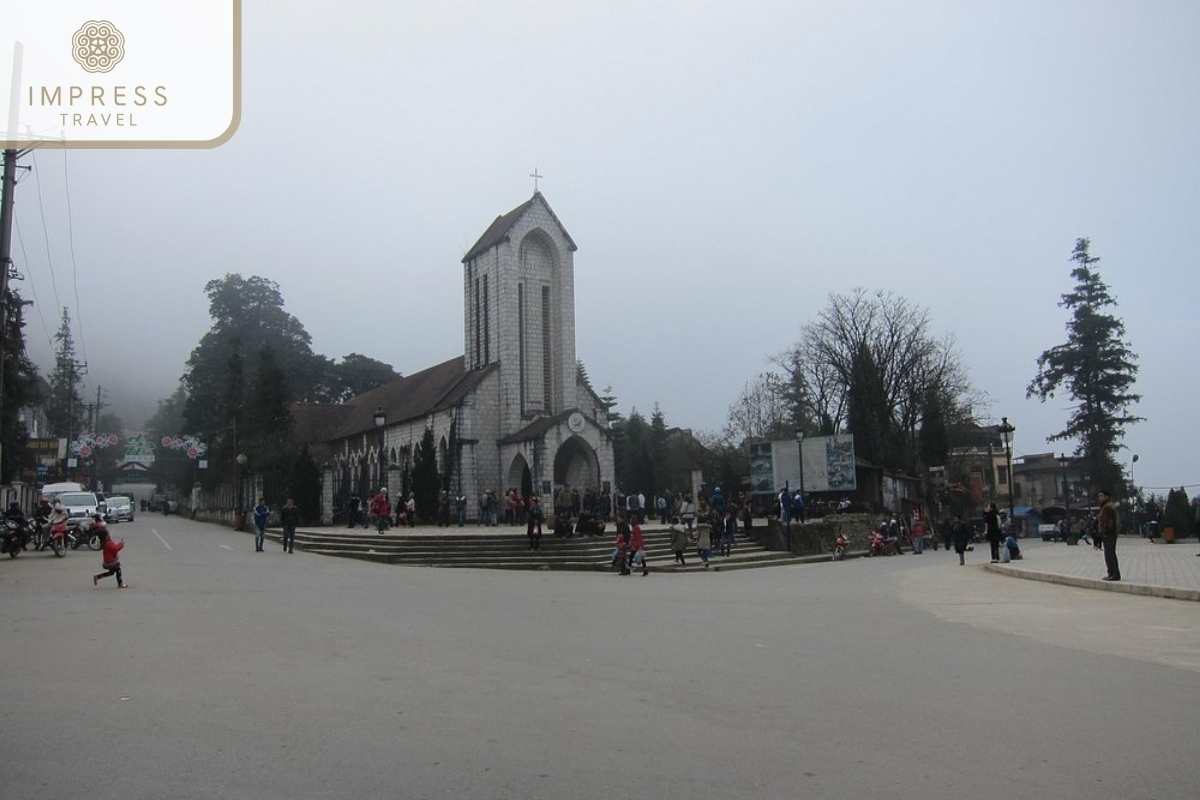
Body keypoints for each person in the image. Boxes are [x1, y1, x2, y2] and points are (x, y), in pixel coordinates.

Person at [92, 517, 128, 588]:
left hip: (108, 561)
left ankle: (97, 577)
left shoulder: (105, 543)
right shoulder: (108, 543)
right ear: (106, 536)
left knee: (111, 573)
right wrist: (121, 544)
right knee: (118, 569)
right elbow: (115, 549)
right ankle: (120, 584)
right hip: (110, 562)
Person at [1097, 489, 1120, 581]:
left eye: (1101, 496)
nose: (1100, 498)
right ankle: (1111, 573)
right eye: (1099, 496)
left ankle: (1114, 574)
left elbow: (1110, 522)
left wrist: (1106, 531)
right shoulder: (1104, 507)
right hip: (1107, 534)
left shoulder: (1108, 507)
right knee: (1108, 554)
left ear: (1107, 497)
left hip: (1109, 534)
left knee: (1110, 554)